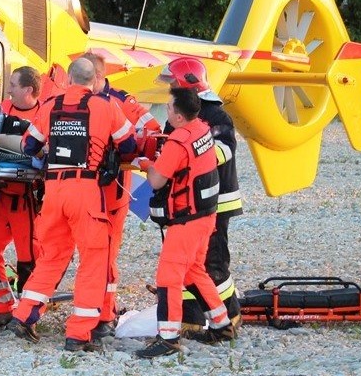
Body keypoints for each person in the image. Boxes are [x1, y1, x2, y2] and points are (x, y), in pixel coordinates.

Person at [7, 57, 137, 351]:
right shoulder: (106, 107)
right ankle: (79, 333)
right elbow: (129, 145)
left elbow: (29, 145)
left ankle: (24, 314)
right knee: (93, 258)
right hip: (86, 190)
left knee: (53, 255)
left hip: (54, 190)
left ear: (69, 80)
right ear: (94, 81)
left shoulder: (51, 105)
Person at [132, 86, 235, 358]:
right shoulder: (202, 129)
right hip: (206, 215)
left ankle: (168, 338)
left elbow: (156, 180)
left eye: (168, 107)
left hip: (186, 220)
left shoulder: (178, 142)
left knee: (169, 277)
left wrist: (145, 164)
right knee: (194, 272)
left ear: (178, 117)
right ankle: (222, 324)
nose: (166, 110)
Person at [158, 57, 243, 337]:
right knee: (188, 267)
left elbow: (224, 150)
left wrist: (188, 158)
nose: (169, 90)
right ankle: (193, 320)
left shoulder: (217, 115)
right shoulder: (179, 115)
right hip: (185, 204)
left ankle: (230, 315)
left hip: (216, 201)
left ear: (187, 86)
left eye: (173, 84)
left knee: (213, 265)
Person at [82, 51, 162, 340]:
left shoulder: (120, 100)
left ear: (99, 77)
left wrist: (126, 152)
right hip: (80, 191)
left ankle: (104, 312)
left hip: (111, 190)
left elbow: (152, 133)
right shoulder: (74, 99)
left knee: (105, 253)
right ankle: (86, 311)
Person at [0, 66, 44, 329]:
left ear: (28, 90)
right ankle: (1, 306)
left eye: (13, 85)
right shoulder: (3, 109)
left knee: (28, 258)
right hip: (1, 194)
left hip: (27, 198)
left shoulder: (45, 114)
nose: (9, 90)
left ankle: (29, 314)